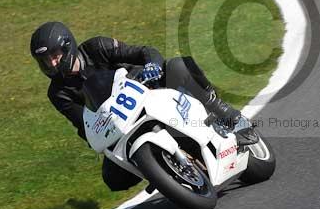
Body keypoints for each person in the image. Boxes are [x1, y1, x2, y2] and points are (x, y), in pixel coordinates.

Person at [30, 21, 260, 192]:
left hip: (150, 90)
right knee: (113, 179)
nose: (52, 63)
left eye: (55, 55)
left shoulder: (95, 47)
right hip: (120, 125)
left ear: (68, 47)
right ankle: (158, 169)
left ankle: (231, 117)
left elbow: (143, 51)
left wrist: (152, 65)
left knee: (178, 66)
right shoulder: (57, 92)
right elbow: (82, 124)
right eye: (45, 60)